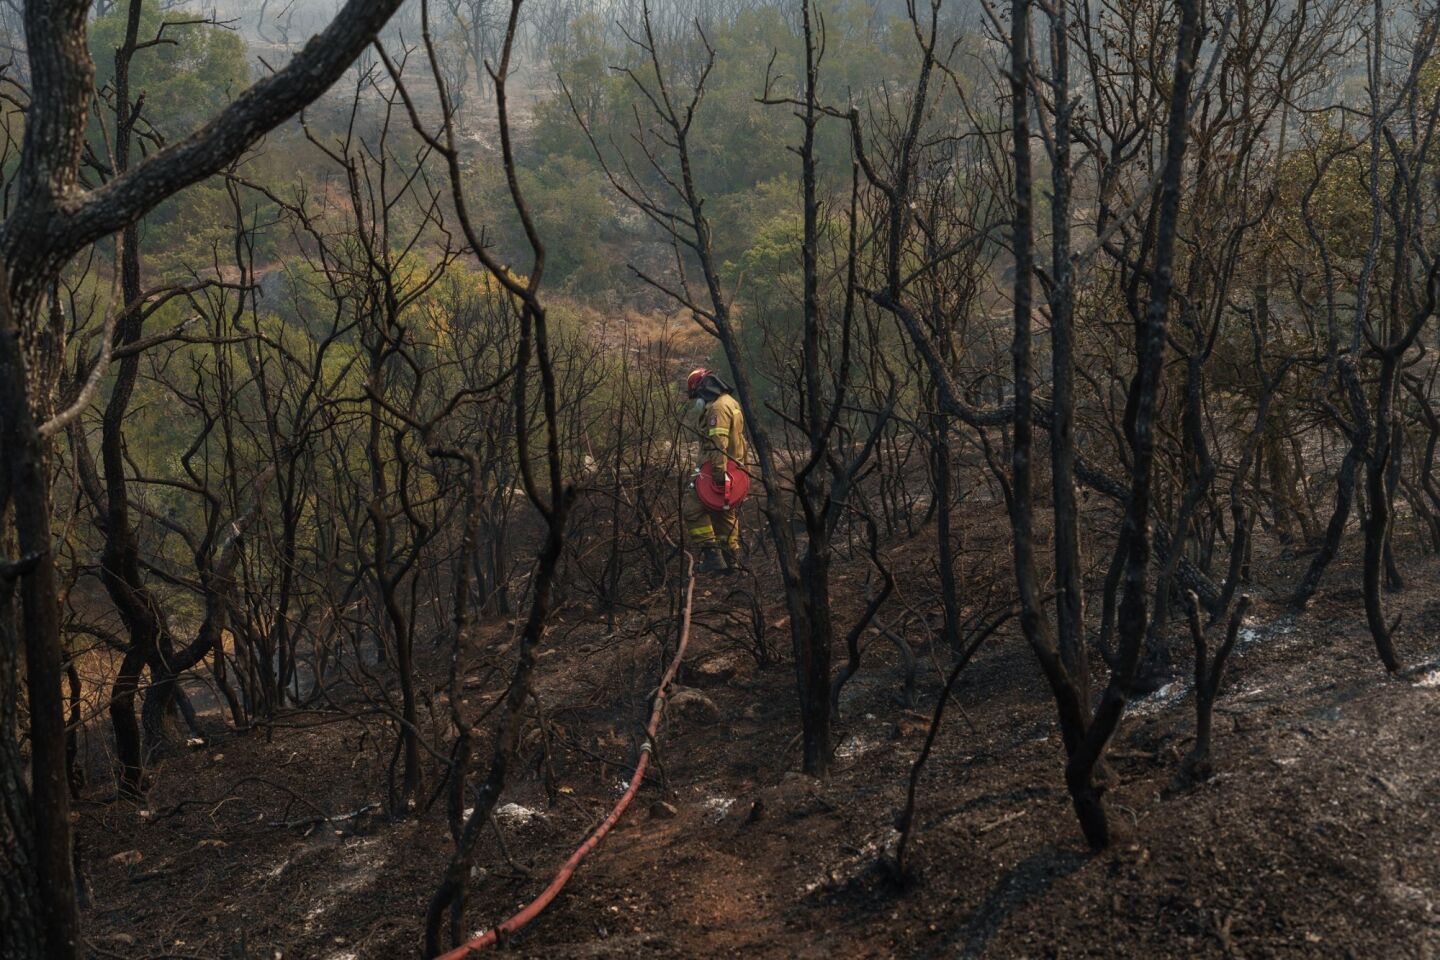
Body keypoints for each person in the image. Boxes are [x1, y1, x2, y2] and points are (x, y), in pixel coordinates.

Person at [682, 367, 747, 574]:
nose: (697, 400)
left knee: (692, 508)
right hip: (734, 468)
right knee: (724, 513)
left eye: (697, 395)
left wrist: (719, 477)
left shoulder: (717, 409)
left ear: (703, 389)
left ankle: (712, 557)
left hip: (716, 469)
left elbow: (718, 444)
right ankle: (732, 561)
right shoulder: (730, 402)